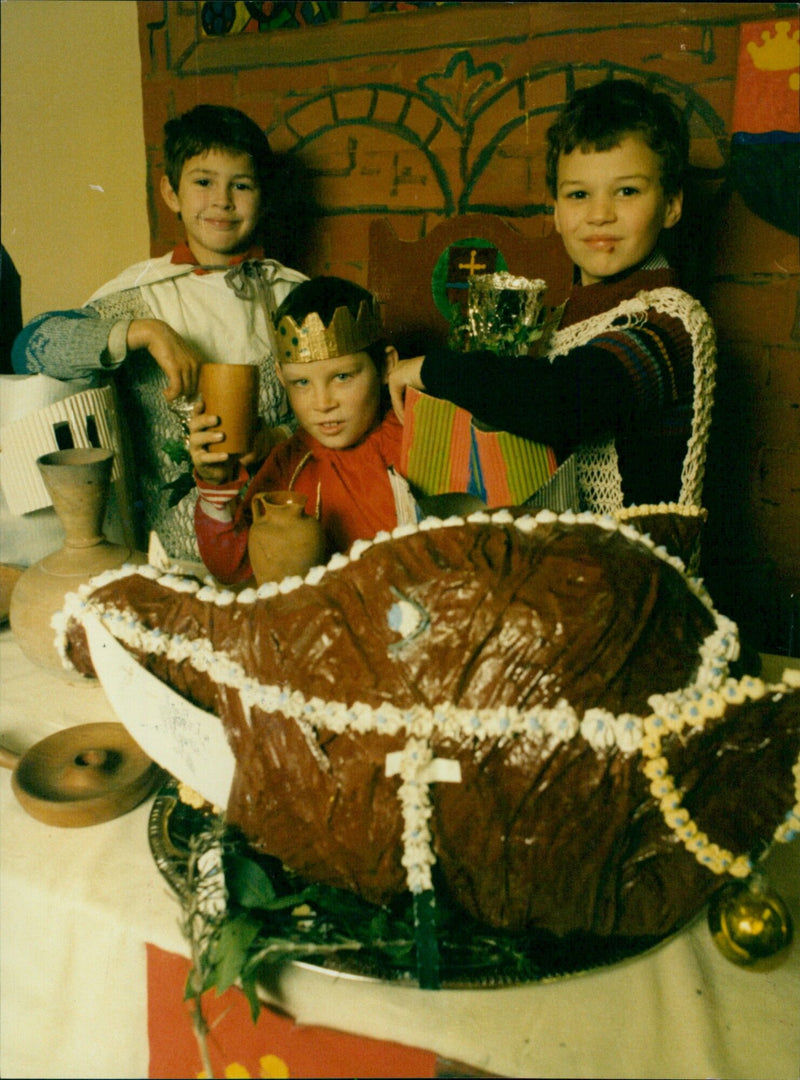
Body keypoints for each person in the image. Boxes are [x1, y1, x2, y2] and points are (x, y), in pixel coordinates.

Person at [388, 79, 716, 512]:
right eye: (579, 194)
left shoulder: (668, 321)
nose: (600, 215)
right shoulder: (553, 321)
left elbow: (561, 402)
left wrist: (431, 369)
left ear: (672, 205)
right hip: (554, 554)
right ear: (557, 213)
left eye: (627, 191)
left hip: (629, 567)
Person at [12, 105, 307, 560]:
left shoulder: (294, 296)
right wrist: (142, 332)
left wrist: (277, 436)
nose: (222, 201)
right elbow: (30, 348)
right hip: (170, 553)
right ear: (171, 192)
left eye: (241, 185)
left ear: (262, 197)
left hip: (287, 542)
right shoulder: (136, 295)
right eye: (203, 182)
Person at [189, 276, 417, 585]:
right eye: (302, 383)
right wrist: (216, 485)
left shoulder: (414, 437)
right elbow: (232, 566)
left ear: (387, 366)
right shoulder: (289, 463)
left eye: (342, 377)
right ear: (281, 378)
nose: (322, 404)